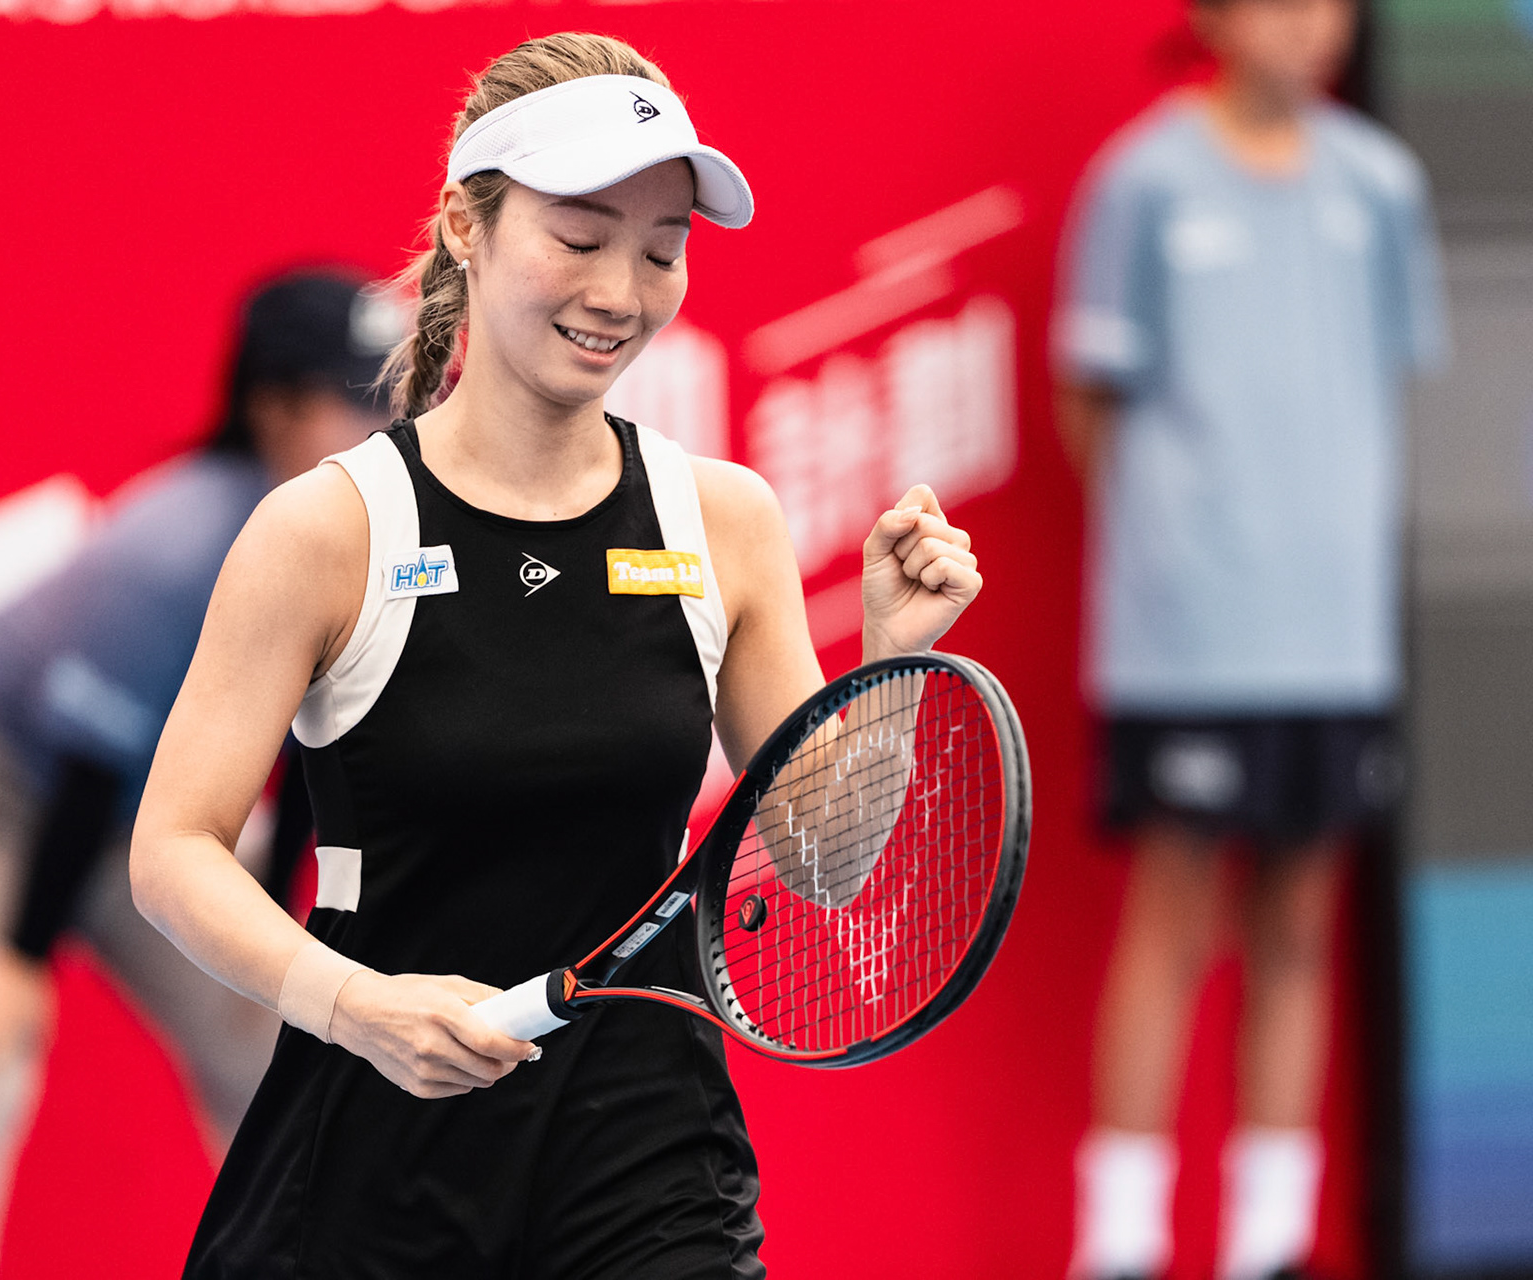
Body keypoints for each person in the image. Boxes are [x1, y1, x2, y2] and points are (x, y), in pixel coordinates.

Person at [129, 31, 984, 1280]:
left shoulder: (723, 519)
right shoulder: (331, 528)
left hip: (647, 1149)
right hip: (375, 1142)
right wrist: (355, 1005)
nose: (622, 292)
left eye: (661, 249)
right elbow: (172, 852)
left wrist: (890, 672)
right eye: (580, 238)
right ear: (464, 229)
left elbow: (825, 865)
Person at [0, 269, 399, 1280]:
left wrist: (267, 938)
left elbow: (316, 749)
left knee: (278, 1041)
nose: (381, 424)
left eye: (394, 393)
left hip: (131, 806)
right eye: (349, 400)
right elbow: (89, 759)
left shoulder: (370, 530)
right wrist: (15, 959)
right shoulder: (177, 546)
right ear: (269, 407)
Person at [1055, 2, 1447, 1278]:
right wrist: (1182, 557)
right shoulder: (1144, 181)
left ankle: (1268, 1241)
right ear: (1215, 18)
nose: (1312, 26)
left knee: (1299, 928)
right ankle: (1121, 1240)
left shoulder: (1380, 183)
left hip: (1335, 644)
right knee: (1174, 923)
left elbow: (1386, 384)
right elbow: (1090, 401)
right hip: (1188, 643)